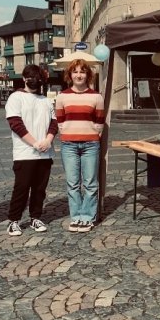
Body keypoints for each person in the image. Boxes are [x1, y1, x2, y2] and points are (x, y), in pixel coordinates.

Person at [3, 65, 58, 236]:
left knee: (40, 188)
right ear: (24, 78)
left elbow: (54, 123)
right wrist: (34, 143)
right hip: (24, 152)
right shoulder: (16, 97)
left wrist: (48, 140)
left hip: (45, 152)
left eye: (38, 77)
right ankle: (13, 220)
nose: (34, 80)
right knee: (21, 187)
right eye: (31, 77)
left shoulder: (46, 101)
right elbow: (15, 124)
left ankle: (36, 217)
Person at [56, 59, 105, 233]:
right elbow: (60, 122)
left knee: (90, 183)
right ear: (70, 75)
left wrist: (89, 133)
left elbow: (99, 122)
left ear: (88, 75)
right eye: (75, 71)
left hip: (90, 144)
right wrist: (71, 132)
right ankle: (76, 217)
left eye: (82, 71)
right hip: (69, 144)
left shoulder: (96, 97)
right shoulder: (62, 97)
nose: (79, 75)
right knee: (73, 184)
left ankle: (87, 217)